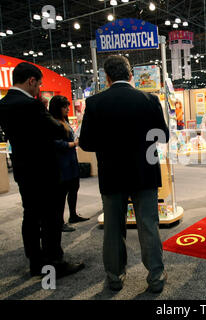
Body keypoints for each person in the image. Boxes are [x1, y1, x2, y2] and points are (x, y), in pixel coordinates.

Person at [79, 55, 169, 292]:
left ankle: (115, 277)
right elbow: (163, 136)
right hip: (145, 174)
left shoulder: (95, 103)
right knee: (148, 225)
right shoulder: (149, 100)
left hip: (112, 175)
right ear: (131, 75)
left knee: (113, 228)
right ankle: (156, 277)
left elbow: (86, 143)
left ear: (106, 78)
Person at [0, 62, 84, 278]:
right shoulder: (32, 105)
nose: (39, 89)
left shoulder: (2, 104)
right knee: (52, 218)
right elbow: (58, 130)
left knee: (31, 215)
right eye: (39, 85)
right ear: (31, 81)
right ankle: (55, 262)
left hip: (23, 169)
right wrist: (43, 109)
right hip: (45, 170)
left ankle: (36, 262)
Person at [49, 96, 90, 233]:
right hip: (61, 163)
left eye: (68, 106)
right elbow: (54, 143)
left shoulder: (64, 121)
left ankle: (73, 215)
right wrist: (72, 143)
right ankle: (59, 222)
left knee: (74, 188)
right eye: (64, 106)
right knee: (61, 194)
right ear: (57, 108)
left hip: (71, 161)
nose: (67, 109)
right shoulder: (53, 123)